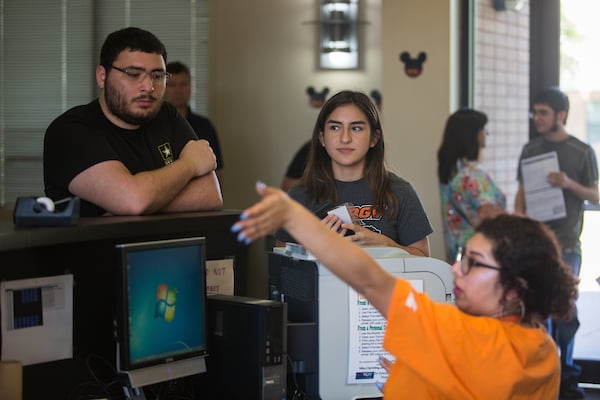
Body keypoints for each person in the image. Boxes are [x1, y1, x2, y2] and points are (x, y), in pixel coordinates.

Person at [232, 182, 579, 399]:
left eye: (473, 263)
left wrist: (293, 216)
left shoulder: (466, 336)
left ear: (514, 288)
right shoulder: (542, 348)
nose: (456, 269)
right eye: (461, 258)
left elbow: (370, 279)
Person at [43, 27, 222, 217]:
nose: (148, 87)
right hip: (100, 247)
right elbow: (134, 201)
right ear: (102, 77)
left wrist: (128, 205)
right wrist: (190, 165)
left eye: (157, 76)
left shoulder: (166, 115)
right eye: (133, 74)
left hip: (168, 245)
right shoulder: (70, 131)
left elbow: (210, 195)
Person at [515, 87, 599, 399]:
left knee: (565, 310)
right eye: (535, 113)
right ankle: (543, 374)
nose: (537, 118)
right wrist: (518, 223)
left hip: (565, 245)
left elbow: (595, 194)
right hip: (535, 243)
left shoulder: (582, 151)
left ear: (560, 116)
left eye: (543, 113)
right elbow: (522, 192)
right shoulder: (530, 149)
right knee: (536, 310)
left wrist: (568, 183)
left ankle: (568, 375)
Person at [276, 90, 433, 256]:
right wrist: (313, 248)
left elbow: (423, 259)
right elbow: (281, 263)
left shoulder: (401, 192)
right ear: (322, 137)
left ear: (374, 138)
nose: (345, 138)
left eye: (356, 128)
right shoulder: (298, 195)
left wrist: (386, 245)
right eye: (335, 127)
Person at [437, 109, 506, 262]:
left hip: (458, 256)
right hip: (482, 257)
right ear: (472, 134)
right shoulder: (472, 174)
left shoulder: (451, 171)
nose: (485, 134)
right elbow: (490, 217)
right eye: (483, 129)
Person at [165, 61, 225, 184]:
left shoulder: (205, 125)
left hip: (201, 195)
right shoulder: (152, 126)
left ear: (191, 87)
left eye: (183, 84)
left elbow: (217, 171)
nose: (178, 90)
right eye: (172, 85)